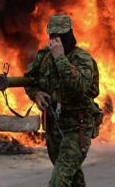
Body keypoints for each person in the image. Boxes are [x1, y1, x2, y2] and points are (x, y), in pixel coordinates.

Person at [25, 14, 101, 187]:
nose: (57, 40)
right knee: (73, 179)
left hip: (77, 126)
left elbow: (78, 87)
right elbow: (29, 79)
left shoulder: (82, 59)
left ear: (70, 34)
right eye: (53, 36)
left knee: (59, 181)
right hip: (54, 126)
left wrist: (60, 58)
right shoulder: (44, 57)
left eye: (61, 36)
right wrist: (35, 93)